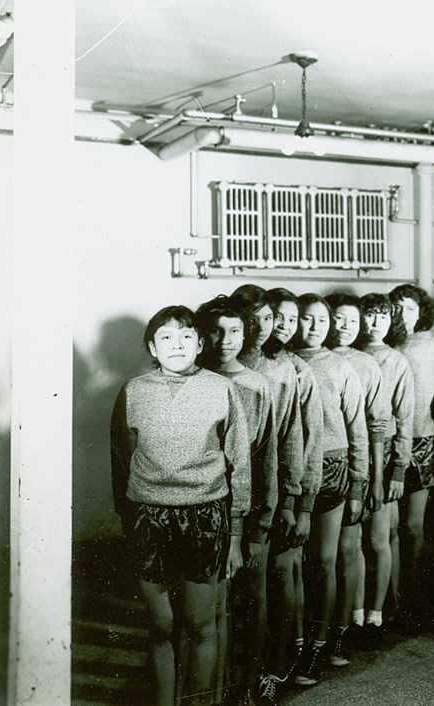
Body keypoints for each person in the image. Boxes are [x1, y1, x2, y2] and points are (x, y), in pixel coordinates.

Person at [110, 305, 250, 706]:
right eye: (166, 338)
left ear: (201, 343)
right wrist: (129, 520)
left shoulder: (222, 389)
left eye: (186, 336)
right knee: (161, 625)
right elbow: (121, 460)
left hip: (206, 516)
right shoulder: (133, 391)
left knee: (201, 625)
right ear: (152, 348)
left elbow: (238, 465)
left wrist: (236, 534)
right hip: (148, 517)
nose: (177, 345)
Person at [231, 285, 316, 700]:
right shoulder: (219, 365)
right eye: (256, 320)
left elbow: (291, 439)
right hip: (225, 494)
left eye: (269, 318)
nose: (264, 328)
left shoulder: (284, 368)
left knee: (263, 586)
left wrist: (293, 500)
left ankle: (269, 673)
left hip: (270, 493)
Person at [195, 296, 277, 704]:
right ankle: (217, 685)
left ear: (247, 336)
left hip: (250, 505)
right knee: (214, 604)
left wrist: (261, 516)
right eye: (216, 330)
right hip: (206, 507)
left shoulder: (257, 384)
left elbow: (266, 456)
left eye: (234, 331)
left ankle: (249, 683)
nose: (224, 340)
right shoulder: (193, 380)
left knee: (252, 596)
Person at [291, 293, 369, 687]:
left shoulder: (341, 366)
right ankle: (293, 646)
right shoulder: (285, 363)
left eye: (323, 319)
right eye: (307, 319)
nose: (316, 326)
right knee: (292, 567)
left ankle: (322, 645)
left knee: (323, 560)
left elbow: (358, 429)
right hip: (290, 471)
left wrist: (357, 484)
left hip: (332, 468)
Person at [325, 293, 390, 665]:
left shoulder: (366, 364)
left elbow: (378, 426)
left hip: (356, 467)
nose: (345, 327)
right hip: (321, 472)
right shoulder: (310, 360)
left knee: (350, 549)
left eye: (353, 320)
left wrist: (374, 478)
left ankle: (345, 631)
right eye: (338, 318)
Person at [387, 284, 434, 626]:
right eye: (397, 308)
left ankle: (409, 596)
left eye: (411, 309)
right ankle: (386, 601)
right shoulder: (381, 345)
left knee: (413, 526)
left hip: (423, 443)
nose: (403, 315)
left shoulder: (430, 348)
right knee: (386, 528)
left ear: (422, 313)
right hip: (386, 447)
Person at [357, 292, 415, 644]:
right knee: (357, 542)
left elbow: (404, 419)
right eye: (369, 315)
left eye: (382, 316)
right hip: (355, 453)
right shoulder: (349, 355)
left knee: (381, 536)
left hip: (386, 454)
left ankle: (380, 615)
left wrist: (398, 471)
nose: (374, 323)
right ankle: (359, 612)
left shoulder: (396, 361)